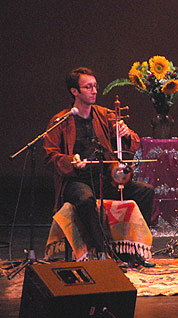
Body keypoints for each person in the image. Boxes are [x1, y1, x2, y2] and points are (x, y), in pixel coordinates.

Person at [43, 67, 155, 266]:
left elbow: (134, 142)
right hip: (77, 180)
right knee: (86, 200)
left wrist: (126, 133)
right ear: (74, 91)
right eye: (88, 87)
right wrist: (71, 161)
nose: (94, 91)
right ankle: (104, 252)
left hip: (105, 179)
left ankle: (131, 250)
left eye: (95, 86)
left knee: (145, 191)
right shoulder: (61, 120)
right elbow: (49, 155)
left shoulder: (105, 115)